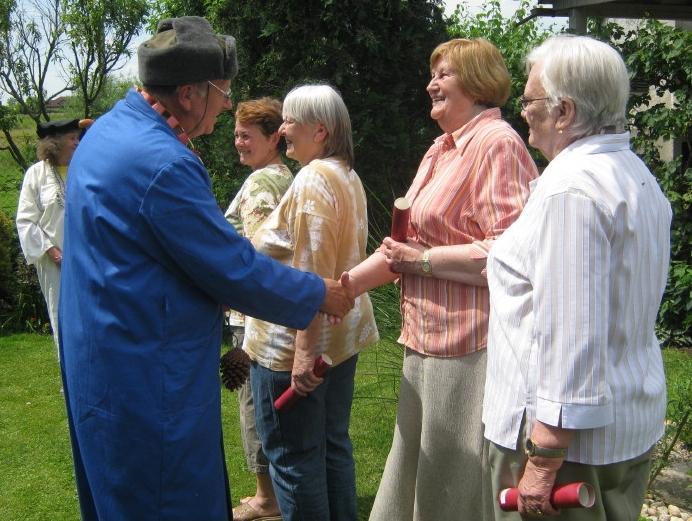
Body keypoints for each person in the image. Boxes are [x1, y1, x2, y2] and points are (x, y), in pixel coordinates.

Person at [58, 17, 353, 521]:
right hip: (147, 374)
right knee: (167, 501)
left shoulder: (108, 130)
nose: (226, 106)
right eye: (223, 92)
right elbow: (233, 268)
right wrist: (317, 294)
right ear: (191, 93)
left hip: (100, 359)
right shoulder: (164, 163)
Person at [343, 38, 538, 521]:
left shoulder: (498, 145)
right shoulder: (439, 150)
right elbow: (399, 248)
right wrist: (340, 288)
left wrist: (425, 260)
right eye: (432, 74)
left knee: (454, 486)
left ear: (477, 82)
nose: (431, 84)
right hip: (424, 341)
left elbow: (511, 255)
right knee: (414, 470)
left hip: (472, 347)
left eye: (444, 74)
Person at [482, 35, 672, 521]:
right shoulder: (633, 173)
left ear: (563, 111)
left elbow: (572, 334)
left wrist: (544, 455)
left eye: (527, 101)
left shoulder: (571, 190)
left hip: (571, 452)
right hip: (624, 426)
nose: (521, 111)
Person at [244, 84, 379, 521]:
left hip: (293, 347)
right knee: (331, 448)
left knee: (294, 458)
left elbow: (311, 268)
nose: (282, 129)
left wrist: (304, 353)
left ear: (319, 130)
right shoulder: (347, 175)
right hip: (337, 342)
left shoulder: (314, 177)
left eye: (289, 121)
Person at [224, 97, 291, 521]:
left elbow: (257, 252)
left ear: (274, 138)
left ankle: (266, 498)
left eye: (247, 135)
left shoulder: (262, 184)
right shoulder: (287, 178)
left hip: (253, 317)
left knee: (255, 406)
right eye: (236, 134)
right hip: (272, 313)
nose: (238, 143)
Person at [16, 118, 91, 354]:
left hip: (89, 259)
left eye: (78, 138)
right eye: (71, 138)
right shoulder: (36, 175)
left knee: (93, 316)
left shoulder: (86, 167)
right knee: (63, 317)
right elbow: (26, 221)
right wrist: (54, 253)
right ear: (54, 143)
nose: (77, 143)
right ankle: (69, 380)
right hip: (54, 263)